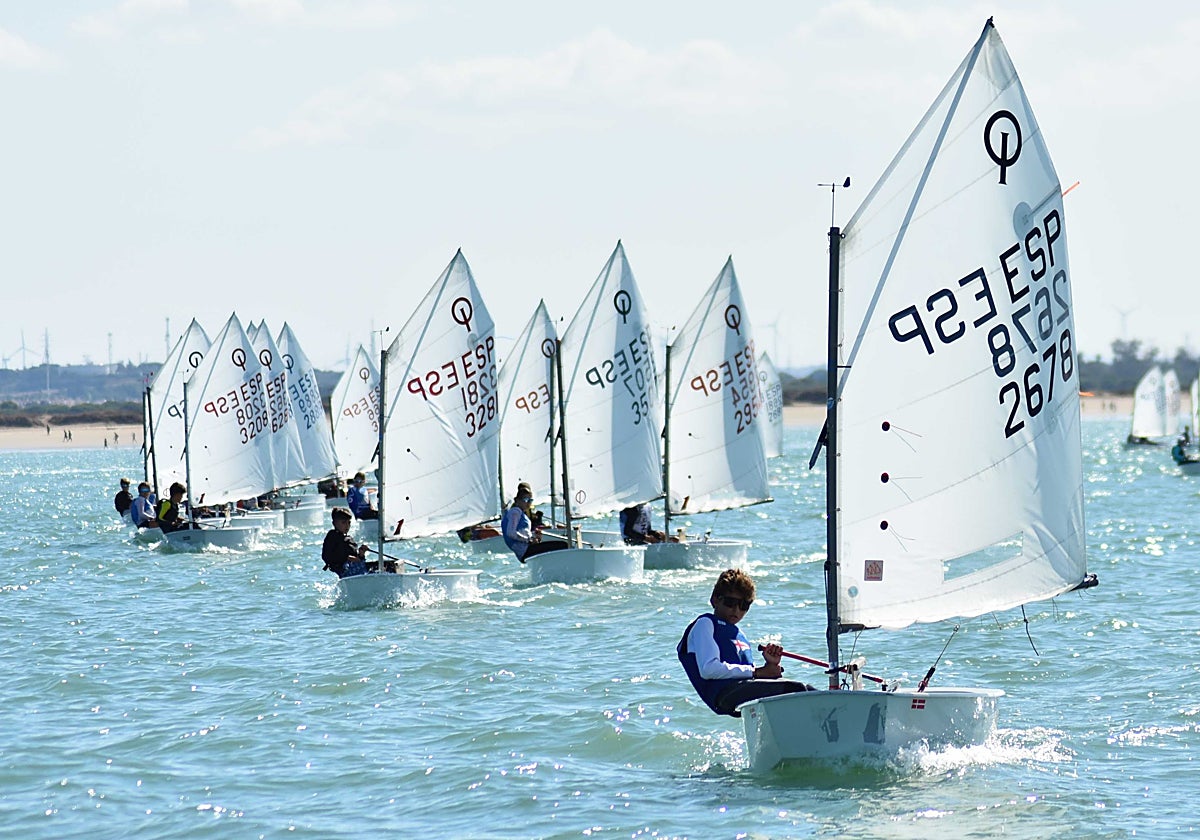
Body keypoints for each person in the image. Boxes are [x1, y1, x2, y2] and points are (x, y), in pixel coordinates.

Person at [677, 568, 815, 717]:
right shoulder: (705, 623)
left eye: (744, 605)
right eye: (730, 602)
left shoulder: (740, 635)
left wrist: (770, 666)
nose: (736, 610)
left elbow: (749, 675)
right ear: (715, 599)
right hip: (724, 695)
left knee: (810, 690)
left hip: (743, 691)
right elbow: (709, 669)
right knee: (796, 689)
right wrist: (758, 672)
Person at [501, 482, 568, 562]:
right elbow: (511, 533)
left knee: (557, 546)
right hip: (525, 551)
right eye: (526, 500)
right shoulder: (515, 512)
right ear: (517, 500)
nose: (528, 503)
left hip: (526, 549)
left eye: (530, 500)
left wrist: (534, 537)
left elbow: (522, 532)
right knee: (564, 545)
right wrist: (529, 540)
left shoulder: (520, 512)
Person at [322, 507, 369, 578]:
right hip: (344, 571)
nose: (347, 525)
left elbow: (357, 559)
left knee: (383, 565)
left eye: (349, 522)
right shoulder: (332, 536)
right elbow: (327, 555)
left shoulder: (349, 539)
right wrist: (347, 558)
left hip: (355, 569)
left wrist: (361, 554)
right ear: (334, 523)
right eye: (343, 522)